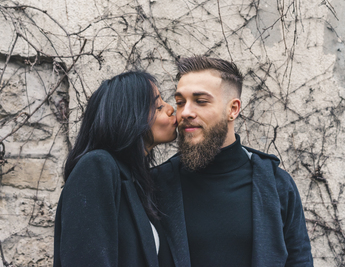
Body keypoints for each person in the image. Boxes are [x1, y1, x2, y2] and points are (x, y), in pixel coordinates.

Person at [152, 56, 313, 267]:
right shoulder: (156, 185)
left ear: (233, 109)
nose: (186, 112)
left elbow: (299, 261)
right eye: (180, 102)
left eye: (201, 101)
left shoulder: (276, 185)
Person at [53, 71, 177, 267]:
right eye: (158, 106)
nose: (171, 109)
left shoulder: (136, 182)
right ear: (130, 115)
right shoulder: (96, 167)